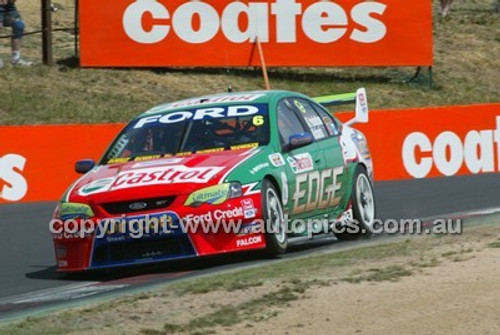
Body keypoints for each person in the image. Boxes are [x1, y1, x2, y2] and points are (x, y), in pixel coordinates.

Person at [0, 0, 32, 66]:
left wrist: (15, 17)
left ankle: (16, 58)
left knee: (19, 25)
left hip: (7, 11)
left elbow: (12, 8)